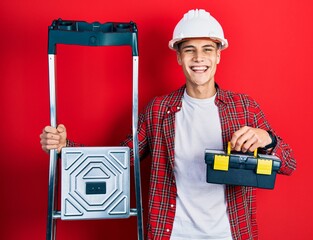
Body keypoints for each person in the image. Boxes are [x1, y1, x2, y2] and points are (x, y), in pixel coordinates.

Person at [40, 9, 296, 240]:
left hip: (230, 234)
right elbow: (121, 160)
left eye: (207, 49)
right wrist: (65, 148)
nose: (199, 58)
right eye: (189, 50)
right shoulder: (159, 110)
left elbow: (289, 163)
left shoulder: (244, 107)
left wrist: (268, 140)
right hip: (172, 233)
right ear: (178, 57)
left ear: (218, 55)